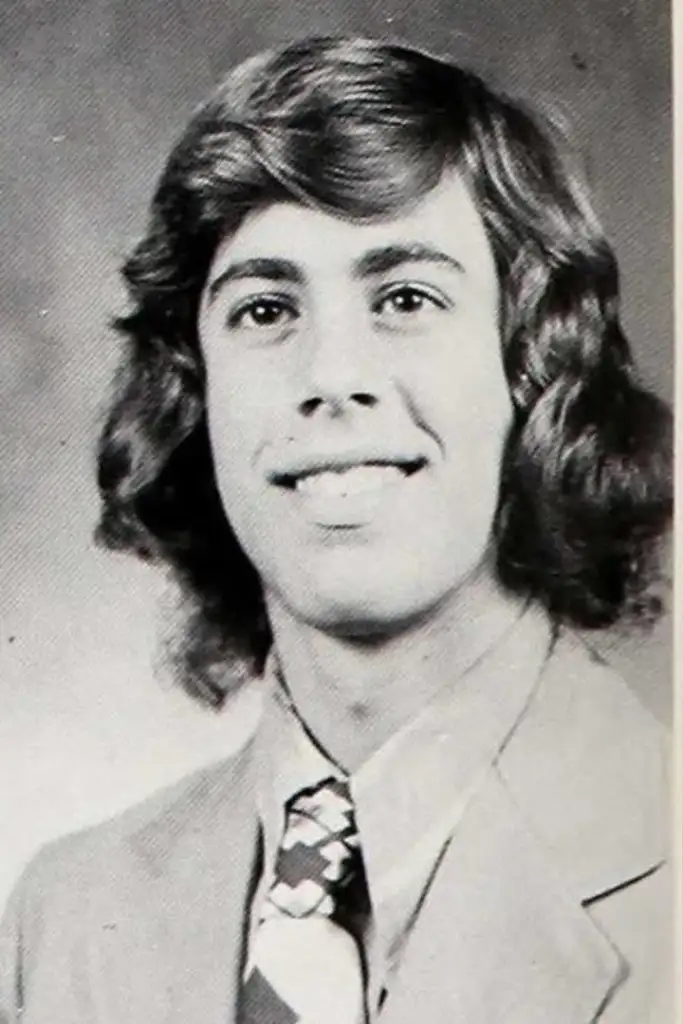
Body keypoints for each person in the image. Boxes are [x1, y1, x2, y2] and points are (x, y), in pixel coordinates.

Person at [0, 36, 672, 1024]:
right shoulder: (64, 918)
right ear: (196, 394)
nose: (329, 376)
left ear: (529, 366)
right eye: (265, 308)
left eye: (404, 297)